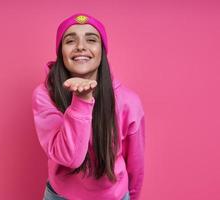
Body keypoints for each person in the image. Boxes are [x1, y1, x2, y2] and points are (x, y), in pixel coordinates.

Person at [32, 13, 145, 200]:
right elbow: (70, 157)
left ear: (103, 50)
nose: (81, 47)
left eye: (91, 39)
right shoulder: (45, 95)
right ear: (61, 51)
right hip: (61, 196)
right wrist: (82, 100)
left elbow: (136, 164)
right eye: (70, 41)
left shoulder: (128, 101)